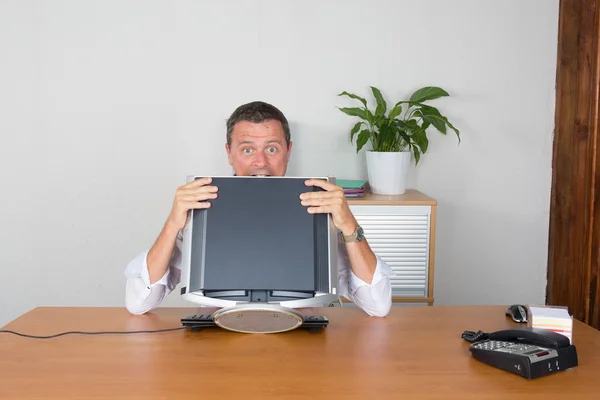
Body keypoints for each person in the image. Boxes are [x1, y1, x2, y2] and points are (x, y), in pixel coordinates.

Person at [124, 101, 394, 317]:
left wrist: (349, 226)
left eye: (272, 149)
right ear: (229, 152)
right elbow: (139, 302)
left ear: (288, 151)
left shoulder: (317, 206)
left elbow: (377, 304)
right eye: (248, 150)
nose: (261, 162)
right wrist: (173, 224)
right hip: (216, 349)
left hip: (303, 349)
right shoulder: (203, 206)